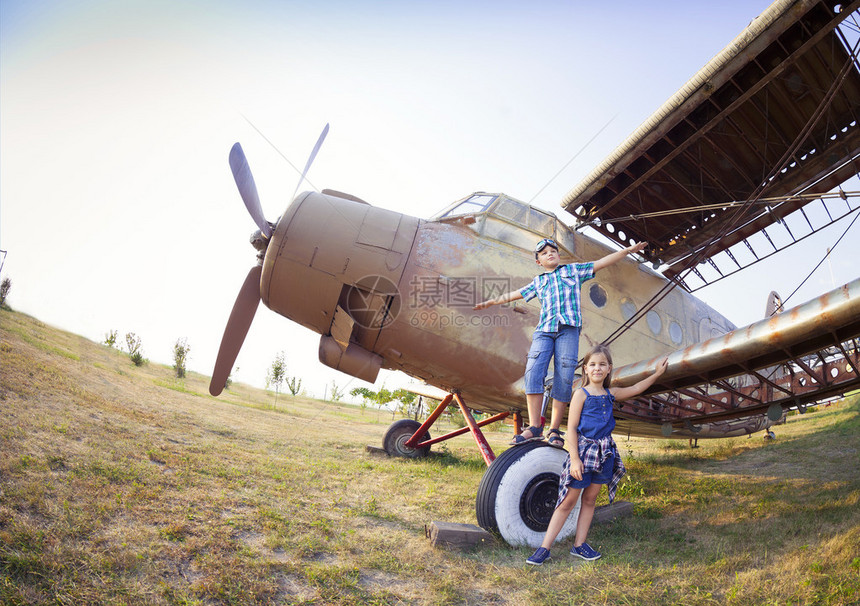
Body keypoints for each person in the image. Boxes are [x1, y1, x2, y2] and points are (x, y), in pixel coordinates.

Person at [474, 238, 647, 447]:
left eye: (553, 250)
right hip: (544, 331)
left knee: (564, 376)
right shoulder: (539, 282)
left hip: (568, 330)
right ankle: (534, 426)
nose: (550, 253)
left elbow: (602, 262)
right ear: (539, 261)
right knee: (533, 371)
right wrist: (491, 301)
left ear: (558, 255)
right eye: (544, 253)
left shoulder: (573, 271)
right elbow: (515, 294)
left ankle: (554, 429)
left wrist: (628, 250)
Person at [526, 345, 668, 565]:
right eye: (592, 364)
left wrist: (657, 373)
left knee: (590, 500)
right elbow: (571, 428)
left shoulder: (611, 394)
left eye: (602, 364)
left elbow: (637, 387)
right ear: (585, 369)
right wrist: (574, 459)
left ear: (609, 368)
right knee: (567, 501)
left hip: (605, 453)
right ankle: (544, 548)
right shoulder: (580, 394)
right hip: (583, 452)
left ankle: (579, 545)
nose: (597, 368)